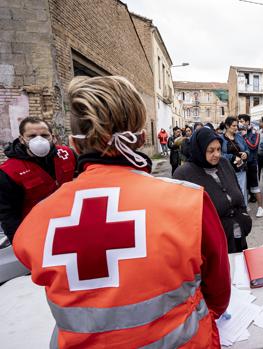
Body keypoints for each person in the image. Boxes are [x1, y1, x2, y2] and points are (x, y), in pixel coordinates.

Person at [13, 76, 230, 348]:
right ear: (140, 138)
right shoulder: (188, 201)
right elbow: (218, 288)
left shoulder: (38, 219)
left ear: (73, 143)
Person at [174, 127, 252, 253]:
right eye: (210, 150)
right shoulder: (184, 174)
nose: (216, 154)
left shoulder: (224, 163)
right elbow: (181, 218)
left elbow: (238, 192)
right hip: (211, 248)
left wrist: (244, 217)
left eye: (218, 149)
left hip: (237, 238)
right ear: (199, 149)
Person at [0, 117, 76, 243]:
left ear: (53, 137)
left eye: (44, 135)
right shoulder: (9, 171)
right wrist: (20, 242)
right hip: (37, 233)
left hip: (69, 224)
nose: (39, 140)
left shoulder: (67, 155)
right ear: (22, 139)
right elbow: (7, 214)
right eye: (32, 136)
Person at [239, 114, 263, 218]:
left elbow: (254, 146)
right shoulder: (239, 132)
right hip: (242, 164)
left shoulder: (255, 132)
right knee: (244, 187)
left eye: (242, 121)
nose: (240, 123)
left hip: (252, 163)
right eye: (239, 121)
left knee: (255, 187)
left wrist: (245, 136)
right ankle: (245, 207)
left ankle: (261, 208)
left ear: (247, 122)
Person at [220, 116, 249, 205]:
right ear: (227, 126)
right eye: (234, 126)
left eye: (237, 126)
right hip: (227, 170)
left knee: (242, 191)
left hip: (240, 169)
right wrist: (232, 157)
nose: (236, 128)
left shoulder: (239, 137)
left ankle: (243, 210)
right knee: (230, 192)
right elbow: (219, 154)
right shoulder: (220, 139)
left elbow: (247, 149)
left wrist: (246, 154)